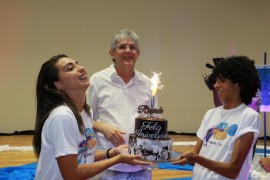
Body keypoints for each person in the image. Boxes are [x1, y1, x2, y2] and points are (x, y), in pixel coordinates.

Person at [33, 54, 151, 180]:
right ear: (59, 84)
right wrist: (118, 159)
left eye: (77, 63)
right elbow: (72, 174)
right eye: (70, 68)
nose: (81, 68)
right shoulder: (62, 117)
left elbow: (83, 154)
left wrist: (112, 152)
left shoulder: (86, 111)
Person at [172, 56, 261, 179]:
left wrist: (196, 158)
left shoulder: (249, 116)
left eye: (222, 81)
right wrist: (185, 157)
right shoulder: (210, 114)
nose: (216, 86)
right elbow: (195, 158)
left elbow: (233, 170)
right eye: (216, 81)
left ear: (239, 83)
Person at [86, 29, 156, 179]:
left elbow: (153, 120)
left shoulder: (147, 83)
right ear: (112, 53)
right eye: (122, 47)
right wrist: (101, 126)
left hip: (140, 164)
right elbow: (81, 116)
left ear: (138, 53)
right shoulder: (97, 80)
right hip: (107, 165)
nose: (128, 51)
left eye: (132, 47)